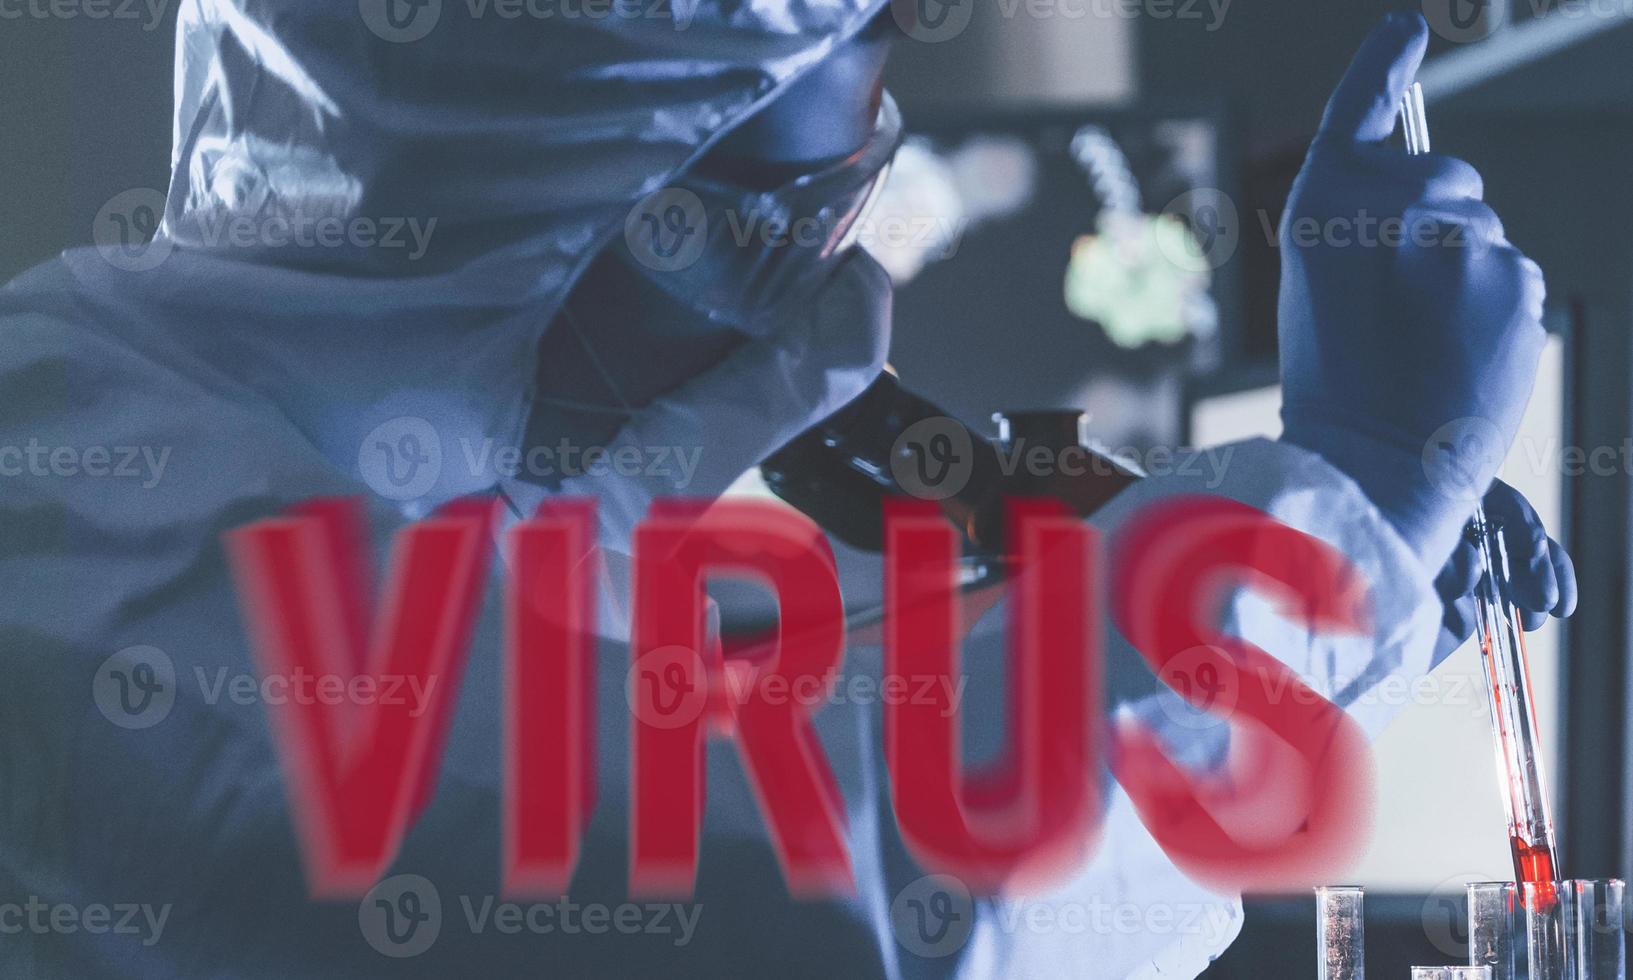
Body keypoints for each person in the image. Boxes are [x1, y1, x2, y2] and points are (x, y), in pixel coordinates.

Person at [0, 1, 1573, 976]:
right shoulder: (81, 528)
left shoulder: (276, 446)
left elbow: (641, 720)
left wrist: (1308, 606)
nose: (818, 296)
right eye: (775, 220)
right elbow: (812, 916)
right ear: (527, 180)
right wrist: (1349, 494)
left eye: (850, 198)